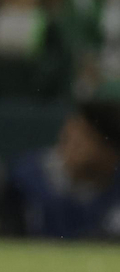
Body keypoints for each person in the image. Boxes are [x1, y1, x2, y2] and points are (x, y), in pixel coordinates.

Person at [10, 101, 120, 240]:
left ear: (111, 152)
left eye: (88, 137)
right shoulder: (26, 177)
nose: (75, 141)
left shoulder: (115, 190)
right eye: (74, 130)